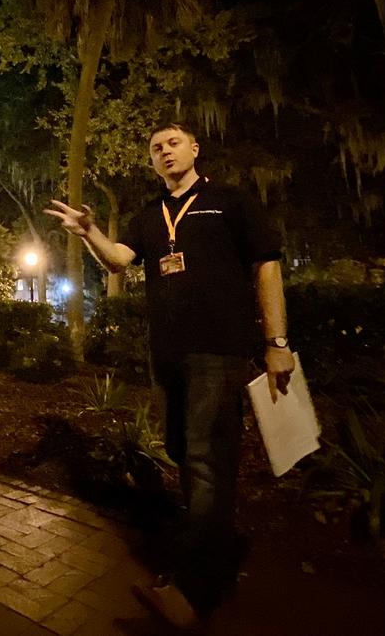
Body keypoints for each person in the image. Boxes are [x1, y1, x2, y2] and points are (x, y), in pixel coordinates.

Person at [45, 119, 294, 631]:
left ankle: (195, 590)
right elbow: (118, 262)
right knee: (184, 451)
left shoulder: (229, 200)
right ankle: (203, 551)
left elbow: (267, 265)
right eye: (156, 147)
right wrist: (89, 230)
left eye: (173, 142)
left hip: (218, 352)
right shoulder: (149, 214)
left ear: (195, 148)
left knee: (205, 459)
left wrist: (277, 344)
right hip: (169, 354)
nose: (164, 151)